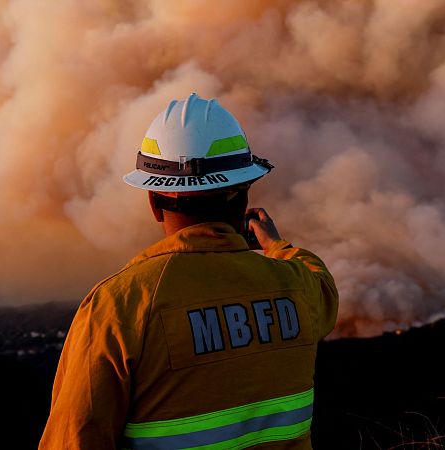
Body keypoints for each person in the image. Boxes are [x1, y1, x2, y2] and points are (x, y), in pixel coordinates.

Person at [39, 93, 338, 449]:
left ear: (153, 202)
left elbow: (74, 439)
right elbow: (323, 285)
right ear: (243, 197)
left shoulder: (118, 307)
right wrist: (276, 245)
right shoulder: (298, 287)